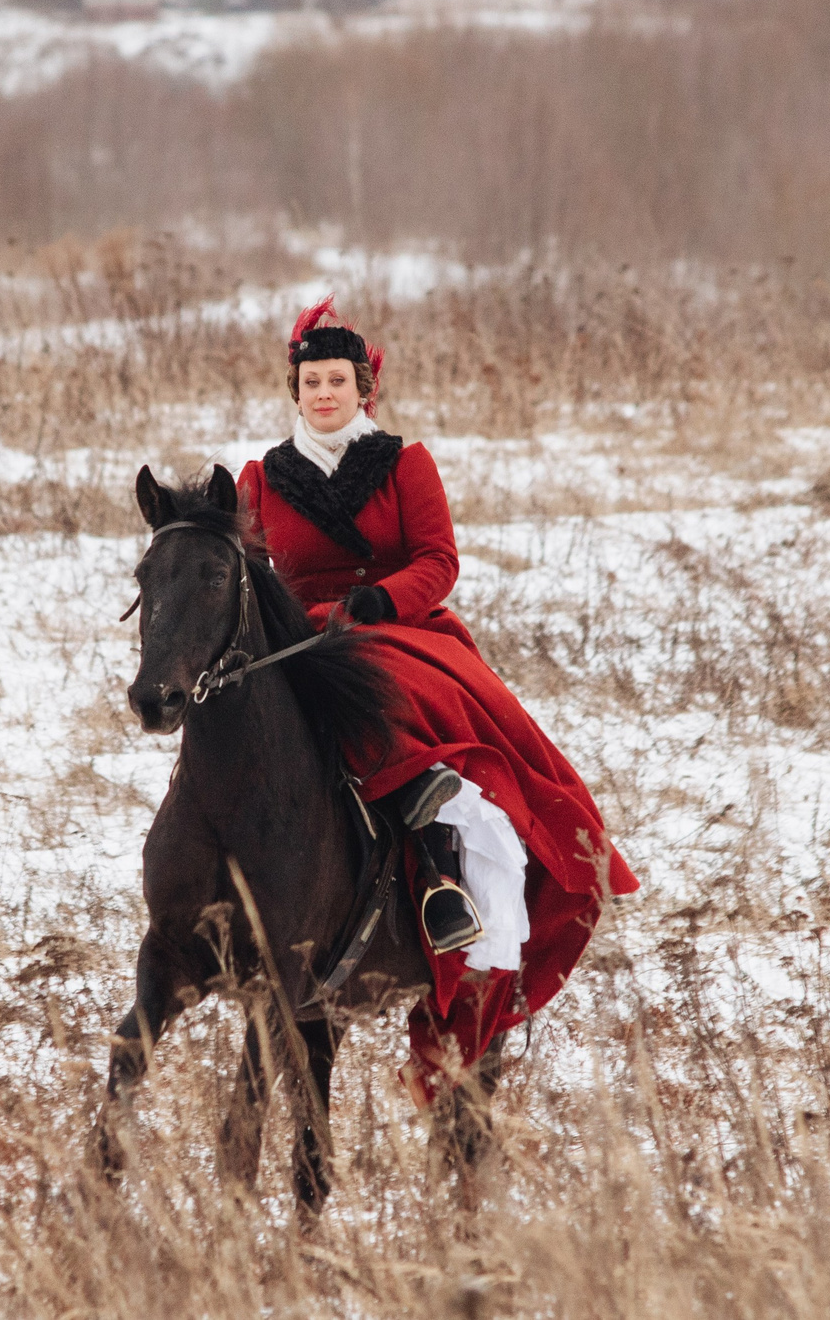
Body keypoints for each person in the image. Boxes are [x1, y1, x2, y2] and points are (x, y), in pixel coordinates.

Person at [235, 297, 638, 1097]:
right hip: (298, 638)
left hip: (399, 628)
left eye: (338, 380)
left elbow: (438, 558)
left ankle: (444, 850)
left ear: (364, 388)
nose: (324, 393)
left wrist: (377, 604)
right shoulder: (258, 477)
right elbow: (254, 578)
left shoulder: (405, 461)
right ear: (295, 387)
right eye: (311, 380)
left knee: (395, 690)